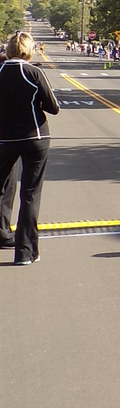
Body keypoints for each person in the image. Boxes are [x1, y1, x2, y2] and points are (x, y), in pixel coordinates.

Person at [0, 32, 61, 264]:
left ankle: (2, 234)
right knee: (30, 193)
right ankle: (25, 251)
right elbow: (53, 107)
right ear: (28, 50)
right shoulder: (33, 72)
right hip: (34, 136)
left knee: (3, 188)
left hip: (4, 138)